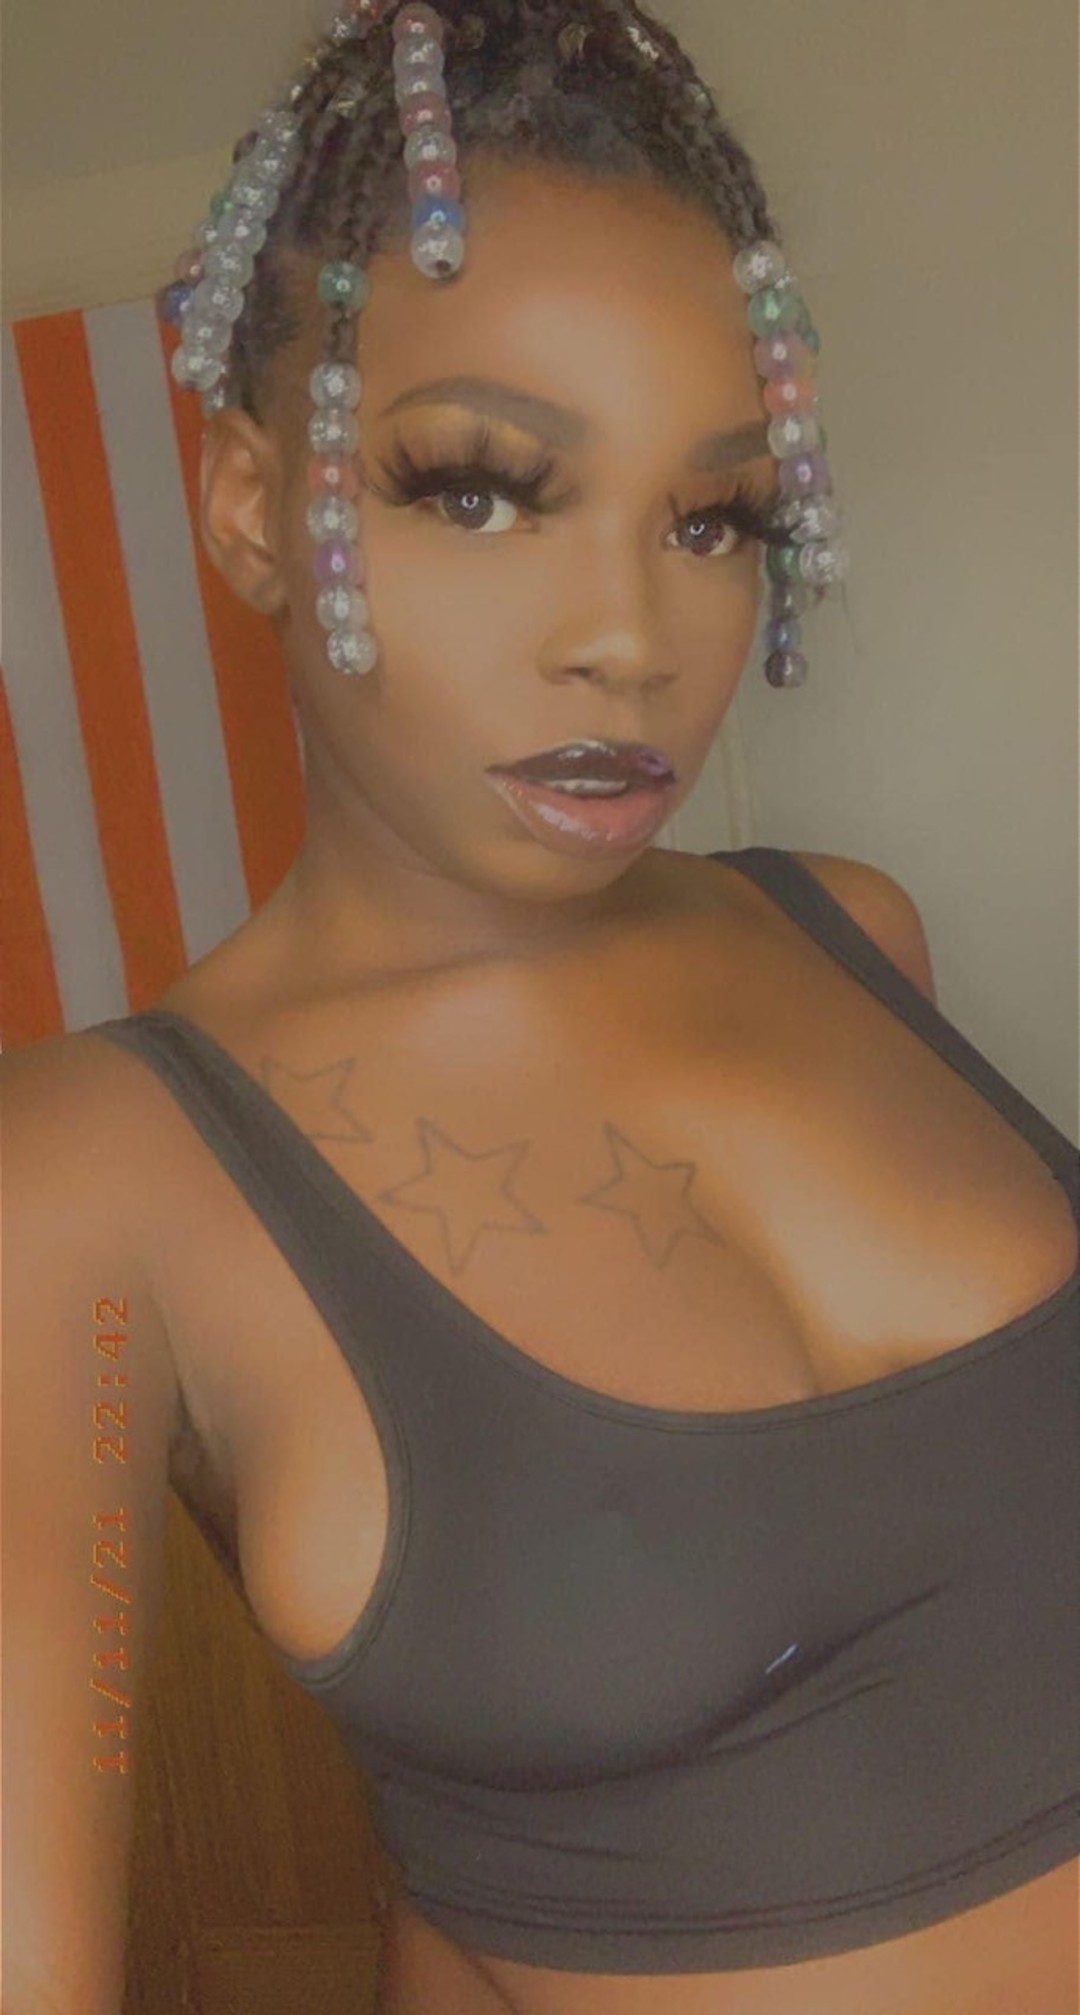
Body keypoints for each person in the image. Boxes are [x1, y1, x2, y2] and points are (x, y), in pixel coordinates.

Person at [5, 2, 1078, 2011]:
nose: (629, 638)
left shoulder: (853, 932)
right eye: (485, 488)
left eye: (712, 518)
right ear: (248, 507)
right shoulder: (87, 1181)